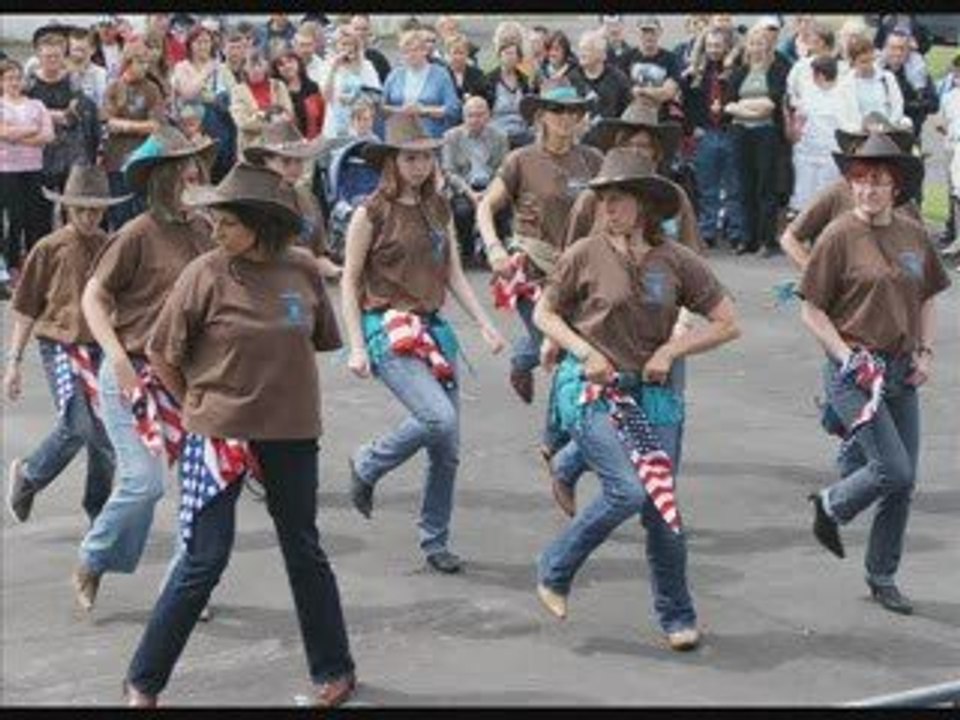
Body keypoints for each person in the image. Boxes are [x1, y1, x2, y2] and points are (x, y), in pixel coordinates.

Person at [122, 162, 356, 708]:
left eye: (225, 221)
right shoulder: (204, 273)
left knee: (303, 548)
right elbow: (162, 352)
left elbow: (322, 339)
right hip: (218, 434)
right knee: (205, 558)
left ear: (258, 224)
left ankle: (335, 670)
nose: (213, 229)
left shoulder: (301, 270)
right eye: (212, 220)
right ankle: (144, 680)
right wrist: (197, 406)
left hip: (293, 431)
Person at [532, 148, 739, 650]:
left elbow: (728, 322)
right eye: (602, 198)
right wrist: (583, 351)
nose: (607, 208)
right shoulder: (584, 252)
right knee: (628, 490)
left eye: (618, 199)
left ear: (644, 205)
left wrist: (673, 348)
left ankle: (677, 615)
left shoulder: (677, 261)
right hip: (592, 386)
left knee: (662, 509)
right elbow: (545, 313)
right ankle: (555, 568)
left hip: (654, 392)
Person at [340, 114, 506, 574]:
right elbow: (350, 283)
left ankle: (435, 540)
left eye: (426, 157)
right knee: (437, 417)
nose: (419, 166)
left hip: (435, 332)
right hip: (389, 330)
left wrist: (485, 323)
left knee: (446, 448)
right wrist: (356, 346)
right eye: (410, 158)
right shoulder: (369, 212)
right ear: (391, 162)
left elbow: (452, 272)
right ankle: (368, 462)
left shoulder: (439, 208)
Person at [798, 132, 951, 615]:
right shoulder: (839, 235)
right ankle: (832, 504)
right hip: (853, 373)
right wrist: (846, 357)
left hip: (902, 369)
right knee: (893, 468)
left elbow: (926, 296)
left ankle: (882, 574)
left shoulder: (913, 233)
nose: (867, 189)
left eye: (878, 181)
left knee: (903, 483)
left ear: (896, 187)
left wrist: (925, 353)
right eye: (860, 180)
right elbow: (812, 311)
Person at [73, 125, 217, 612]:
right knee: (145, 482)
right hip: (132, 372)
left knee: (201, 490)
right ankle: (93, 558)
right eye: (184, 166)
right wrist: (114, 355)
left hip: (190, 378)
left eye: (195, 164)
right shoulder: (135, 234)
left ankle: (181, 589)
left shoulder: (204, 231)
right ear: (161, 178)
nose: (194, 173)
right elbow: (94, 297)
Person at [4, 166, 126, 524]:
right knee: (78, 425)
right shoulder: (48, 248)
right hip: (60, 345)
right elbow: (26, 309)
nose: (88, 217)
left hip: (100, 346)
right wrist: (14, 362)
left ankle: (98, 510)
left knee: (105, 436)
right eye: (80, 209)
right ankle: (30, 476)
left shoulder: (110, 246)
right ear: (66, 209)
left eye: (95, 210)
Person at [477, 81, 602, 406]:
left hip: (579, 268)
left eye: (574, 111)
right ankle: (559, 439)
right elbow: (486, 206)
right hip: (533, 265)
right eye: (558, 110)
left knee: (573, 341)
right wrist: (494, 248)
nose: (566, 117)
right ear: (542, 116)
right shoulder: (522, 159)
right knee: (562, 347)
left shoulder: (592, 160)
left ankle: (523, 358)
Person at [780, 115, 921, 270]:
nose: (875, 153)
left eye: (882, 145)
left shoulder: (904, 198)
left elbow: (919, 250)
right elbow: (790, 238)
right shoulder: (837, 192)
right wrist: (814, 275)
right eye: (868, 144)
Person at [243, 119, 342, 279]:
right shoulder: (253, 203)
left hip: (304, 287)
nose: (294, 168)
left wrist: (335, 270)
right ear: (266, 161)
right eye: (286, 161)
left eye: (299, 161)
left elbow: (319, 252)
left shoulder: (308, 199)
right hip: (265, 286)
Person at [26, 31, 101, 238]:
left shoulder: (74, 80)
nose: (52, 61)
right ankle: (40, 257)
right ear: (38, 56)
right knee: (40, 214)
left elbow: (77, 115)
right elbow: (25, 115)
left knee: (73, 210)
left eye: (57, 56)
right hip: (41, 155)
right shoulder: (30, 84)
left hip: (73, 155)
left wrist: (44, 113)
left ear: (64, 56)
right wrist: (56, 114)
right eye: (48, 56)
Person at [726, 23, 789, 257]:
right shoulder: (739, 72)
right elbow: (728, 104)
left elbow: (771, 104)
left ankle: (766, 240)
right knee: (744, 187)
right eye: (752, 43)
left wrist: (744, 108)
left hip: (767, 135)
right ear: (747, 46)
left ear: (768, 45)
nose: (756, 47)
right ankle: (747, 239)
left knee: (766, 187)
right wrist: (752, 108)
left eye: (760, 42)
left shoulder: (777, 70)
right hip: (741, 134)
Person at [682, 26, 742, 249]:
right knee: (708, 188)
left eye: (718, 46)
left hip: (729, 133)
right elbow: (685, 106)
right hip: (706, 133)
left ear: (726, 47)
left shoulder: (735, 71)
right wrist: (691, 129)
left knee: (734, 187)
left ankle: (735, 231)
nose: (714, 50)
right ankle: (707, 231)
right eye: (709, 46)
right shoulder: (695, 73)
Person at [0, 58, 54, 287]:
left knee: (35, 219)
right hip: (7, 170)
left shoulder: (37, 105)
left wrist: (16, 135)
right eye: (9, 78)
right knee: (14, 219)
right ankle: (12, 267)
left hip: (34, 169)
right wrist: (32, 130)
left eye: (17, 78)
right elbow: (3, 133)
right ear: (1, 81)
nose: (14, 82)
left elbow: (48, 136)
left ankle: (34, 266)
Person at [101, 40, 164, 230]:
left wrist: (125, 125)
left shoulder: (152, 89)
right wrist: (138, 126)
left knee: (141, 215)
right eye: (140, 61)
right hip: (115, 160)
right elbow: (108, 123)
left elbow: (156, 126)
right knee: (119, 213)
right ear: (128, 62)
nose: (145, 66)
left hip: (143, 161)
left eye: (147, 62)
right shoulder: (113, 87)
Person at [787, 56, 862, 215]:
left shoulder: (844, 94)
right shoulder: (809, 92)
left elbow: (853, 124)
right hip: (805, 154)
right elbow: (799, 115)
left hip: (830, 156)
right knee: (803, 199)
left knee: (826, 199)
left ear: (819, 75)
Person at [441, 95, 510, 266]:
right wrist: (470, 193)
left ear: (488, 115)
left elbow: (503, 169)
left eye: (480, 114)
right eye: (471, 115)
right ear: (464, 117)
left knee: (501, 207)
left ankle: (493, 249)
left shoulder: (500, 136)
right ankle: (467, 249)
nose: (475, 119)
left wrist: (489, 192)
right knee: (462, 211)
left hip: (491, 185)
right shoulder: (451, 137)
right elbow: (449, 171)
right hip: (464, 186)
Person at [171, 25, 236, 182]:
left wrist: (210, 96)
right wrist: (207, 70)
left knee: (220, 175)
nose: (203, 46)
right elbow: (188, 93)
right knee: (197, 174)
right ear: (190, 45)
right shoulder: (182, 67)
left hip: (221, 129)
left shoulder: (223, 68)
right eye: (198, 42)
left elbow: (235, 96)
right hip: (192, 130)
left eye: (207, 41)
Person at [382, 29, 461, 139]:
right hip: (399, 135)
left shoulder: (441, 74)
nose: (410, 55)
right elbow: (381, 106)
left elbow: (453, 109)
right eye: (406, 52)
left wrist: (424, 110)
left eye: (414, 50)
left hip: (431, 135)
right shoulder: (395, 74)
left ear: (424, 51)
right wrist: (401, 110)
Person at [318, 27, 381, 141]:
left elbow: (375, 96)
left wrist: (356, 98)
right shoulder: (328, 66)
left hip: (360, 125)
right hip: (335, 125)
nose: (347, 48)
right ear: (336, 46)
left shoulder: (367, 66)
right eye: (343, 44)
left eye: (351, 44)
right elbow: (325, 97)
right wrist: (334, 68)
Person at [230, 51, 294, 156]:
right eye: (251, 66)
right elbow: (243, 123)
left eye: (259, 65)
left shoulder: (279, 85)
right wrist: (269, 117)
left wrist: (259, 115)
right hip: (252, 148)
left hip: (280, 145)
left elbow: (289, 114)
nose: (256, 69)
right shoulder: (238, 91)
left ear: (266, 66)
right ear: (244, 68)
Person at [838, 35, 905, 130]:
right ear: (853, 62)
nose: (868, 65)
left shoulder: (888, 78)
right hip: (860, 136)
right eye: (863, 62)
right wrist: (863, 128)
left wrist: (887, 126)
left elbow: (898, 106)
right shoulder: (845, 85)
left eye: (871, 60)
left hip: (888, 133)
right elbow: (843, 117)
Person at [567, 30, 632, 121]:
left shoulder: (619, 79)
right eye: (580, 49)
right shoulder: (572, 77)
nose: (581, 54)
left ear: (602, 54)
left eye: (587, 49)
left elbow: (628, 112)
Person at [628, 17, 682, 123]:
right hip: (632, 117)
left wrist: (641, 91)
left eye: (652, 32)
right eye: (645, 32)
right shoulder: (627, 57)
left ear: (660, 32)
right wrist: (656, 93)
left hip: (661, 118)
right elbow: (624, 92)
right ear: (638, 33)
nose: (649, 36)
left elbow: (668, 93)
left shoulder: (670, 59)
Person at [484, 36, 534, 149]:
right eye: (507, 53)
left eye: (513, 54)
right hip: (497, 130)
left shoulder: (524, 80)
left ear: (518, 58)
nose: (510, 57)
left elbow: (529, 108)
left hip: (521, 131)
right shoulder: (489, 80)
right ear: (499, 55)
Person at [273, 50, 325, 141]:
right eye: (281, 64)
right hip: (286, 143)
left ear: (298, 63)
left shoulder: (313, 87)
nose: (287, 66)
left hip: (313, 141)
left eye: (290, 61)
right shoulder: (275, 90)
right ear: (277, 70)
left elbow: (322, 116)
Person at [445, 34, 488, 112]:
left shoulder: (477, 74)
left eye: (461, 53)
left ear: (467, 54)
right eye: (455, 53)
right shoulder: (442, 74)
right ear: (448, 54)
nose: (458, 57)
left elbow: (483, 96)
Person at [67, 28, 108, 108]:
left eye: (82, 50)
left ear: (93, 50)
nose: (78, 54)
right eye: (74, 50)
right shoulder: (63, 71)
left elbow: (100, 104)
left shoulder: (100, 73)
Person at [349, 15, 391, 85]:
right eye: (356, 29)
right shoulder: (340, 59)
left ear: (369, 31)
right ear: (349, 30)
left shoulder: (379, 59)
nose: (360, 33)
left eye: (364, 29)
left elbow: (388, 86)